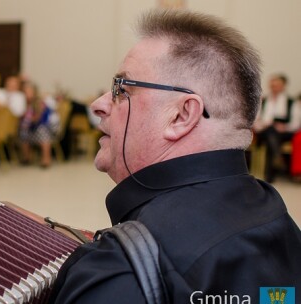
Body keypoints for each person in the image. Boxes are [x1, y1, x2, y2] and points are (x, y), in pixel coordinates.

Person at [49, 10, 301, 303]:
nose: (99, 104)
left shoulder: (124, 273)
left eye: (121, 89)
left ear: (181, 115)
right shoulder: (277, 218)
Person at [253, 74, 300, 182]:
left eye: (277, 85)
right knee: (271, 133)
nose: (274, 88)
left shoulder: (291, 102)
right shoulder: (263, 101)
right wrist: (264, 124)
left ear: (283, 86)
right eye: (272, 85)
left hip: (284, 132)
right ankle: (277, 158)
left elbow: (296, 123)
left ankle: (271, 172)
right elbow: (255, 121)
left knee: (272, 137)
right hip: (265, 130)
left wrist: (284, 127)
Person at [19, 81, 58, 167]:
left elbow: (39, 117)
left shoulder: (39, 103)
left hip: (43, 126)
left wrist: (30, 120)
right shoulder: (23, 103)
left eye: (29, 92)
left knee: (42, 132)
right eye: (25, 92)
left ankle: (46, 159)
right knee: (23, 133)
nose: (27, 94)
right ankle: (26, 157)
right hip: (30, 127)